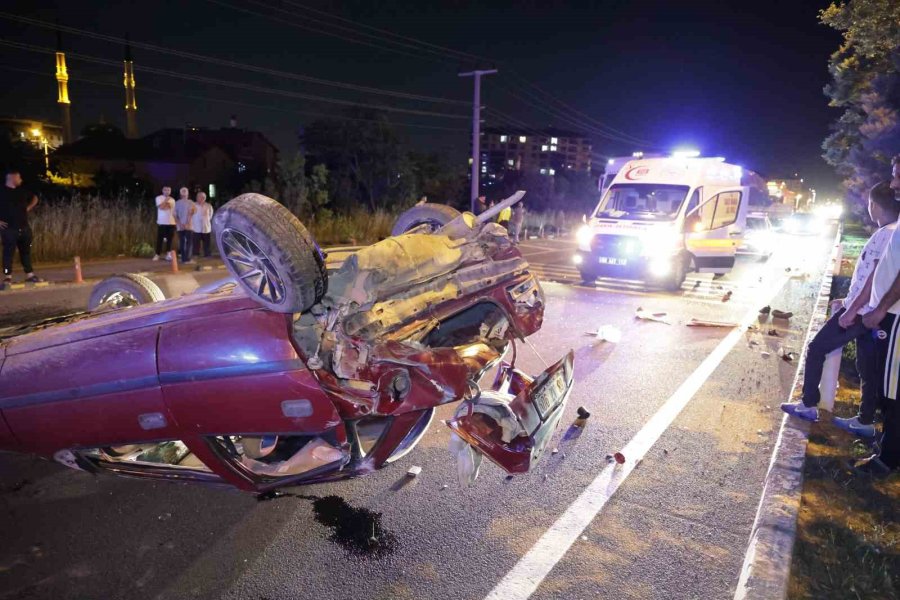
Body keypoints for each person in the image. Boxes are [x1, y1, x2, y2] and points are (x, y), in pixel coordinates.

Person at [781, 180, 899, 437]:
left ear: (874, 206)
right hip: (872, 313)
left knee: (817, 348)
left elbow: (874, 278)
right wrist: (848, 301)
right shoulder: (894, 231)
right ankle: (866, 421)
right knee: (868, 367)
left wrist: (850, 310)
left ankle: (809, 404)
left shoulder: (886, 234)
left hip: (862, 312)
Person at [854, 154, 900, 476]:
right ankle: (886, 449)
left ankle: (886, 459)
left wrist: (881, 309)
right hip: (890, 314)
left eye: (898, 176)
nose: (894, 183)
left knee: (892, 392)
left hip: (894, 317)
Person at [0, 166, 42, 286]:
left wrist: (28, 208)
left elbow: (35, 198)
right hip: (8, 229)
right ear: (12, 178)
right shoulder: (2, 192)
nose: (21, 180)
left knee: (26, 252)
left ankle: (30, 275)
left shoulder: (22, 191)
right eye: (19, 178)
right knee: (8, 253)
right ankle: (7, 277)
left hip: (24, 227)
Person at [174, 187, 196, 264]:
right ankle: (188, 259)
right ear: (188, 194)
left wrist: (180, 224)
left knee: (182, 242)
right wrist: (187, 224)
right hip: (189, 226)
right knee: (189, 243)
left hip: (180, 227)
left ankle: (183, 259)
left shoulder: (176, 203)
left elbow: (175, 216)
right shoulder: (191, 203)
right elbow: (191, 214)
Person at [153, 186, 176, 261]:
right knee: (160, 239)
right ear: (162, 190)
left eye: (169, 190)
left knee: (169, 239)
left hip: (171, 222)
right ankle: (157, 254)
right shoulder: (158, 198)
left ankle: (168, 254)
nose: (167, 191)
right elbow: (161, 207)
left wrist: (165, 204)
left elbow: (169, 207)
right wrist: (166, 201)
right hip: (162, 222)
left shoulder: (172, 199)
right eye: (165, 190)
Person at [191, 191, 214, 258]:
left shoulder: (208, 206)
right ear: (197, 198)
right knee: (196, 242)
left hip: (206, 227)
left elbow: (210, 215)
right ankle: (196, 254)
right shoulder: (193, 205)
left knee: (206, 242)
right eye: (200, 197)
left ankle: (207, 254)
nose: (201, 198)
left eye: (203, 197)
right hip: (196, 227)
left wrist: (205, 220)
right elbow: (190, 215)